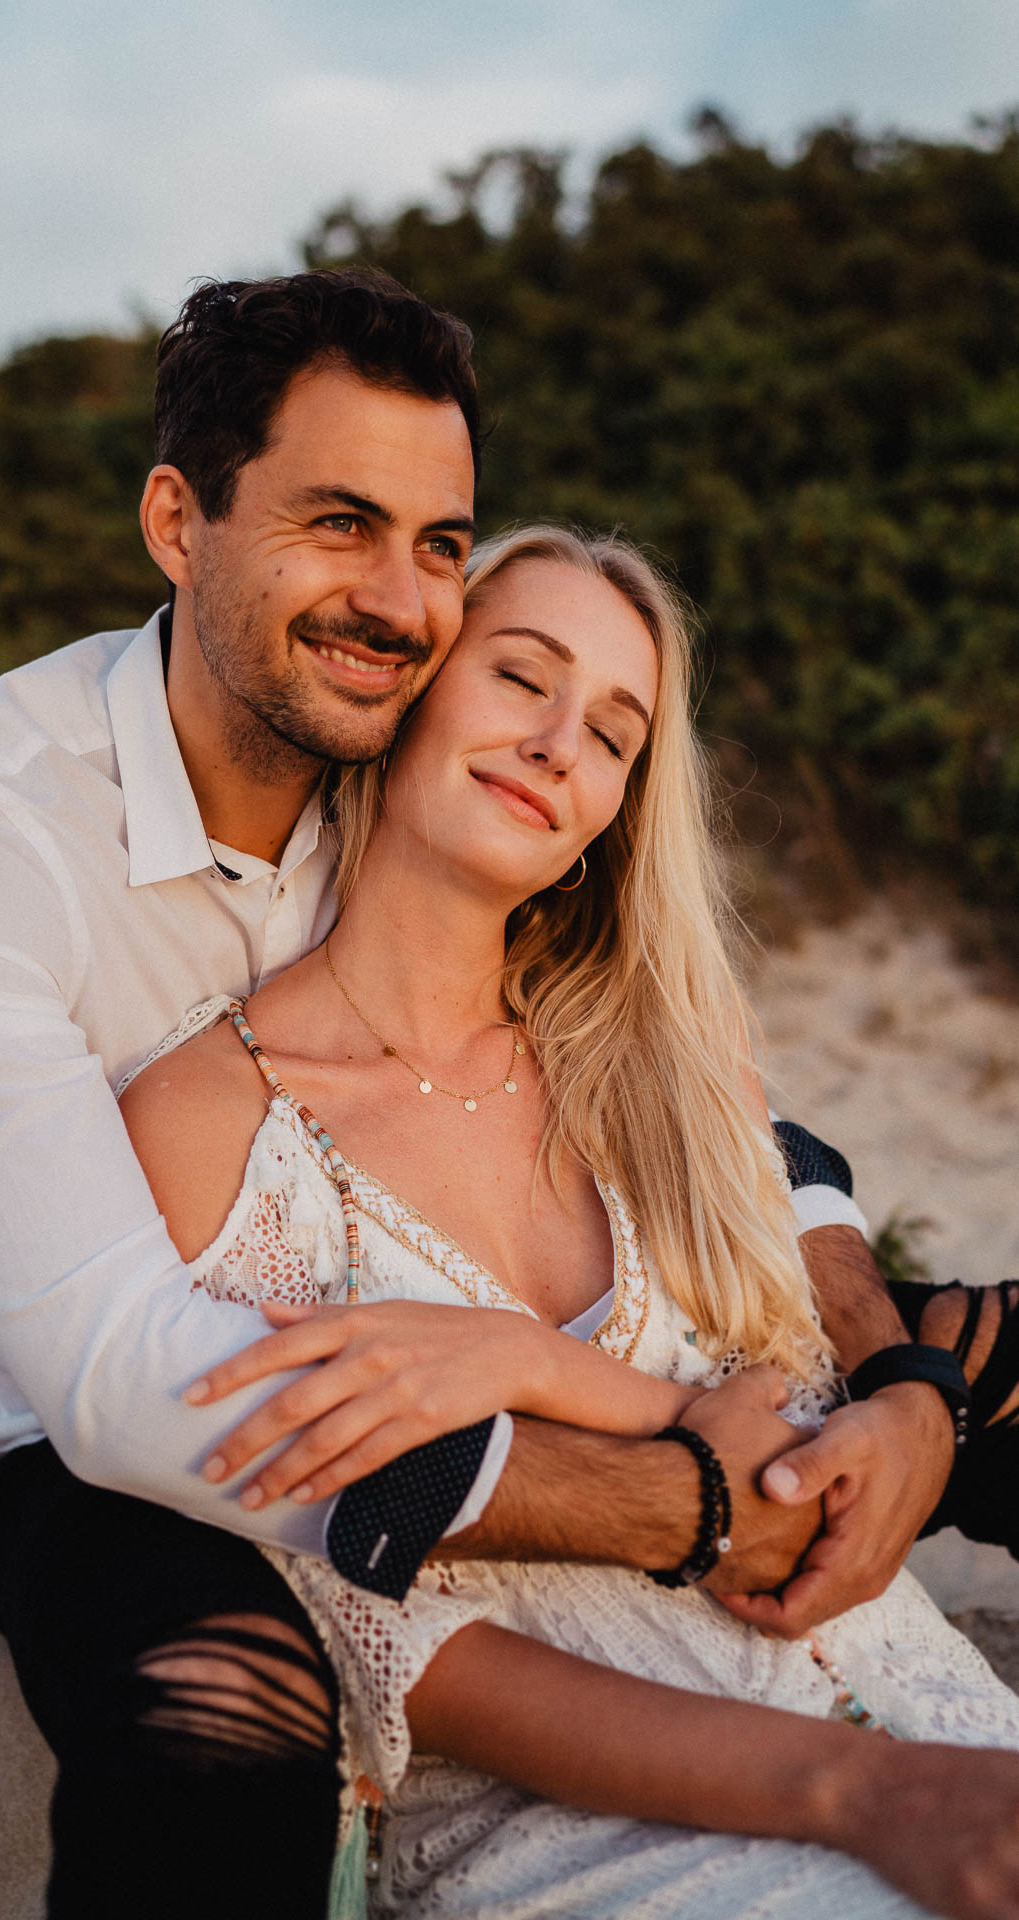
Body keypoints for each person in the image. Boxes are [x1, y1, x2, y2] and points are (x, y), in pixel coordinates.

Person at [0, 268, 1018, 1919]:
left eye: (441, 545)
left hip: (513, 1334)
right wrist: (675, 1469)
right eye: (339, 522)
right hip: (104, 1418)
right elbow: (119, 1377)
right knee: (218, 1715)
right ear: (177, 521)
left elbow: (743, 1135)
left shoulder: (395, 735)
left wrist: (896, 1389)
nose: (400, 604)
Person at [119, 523, 1019, 1918]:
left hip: (961, 1740)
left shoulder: (666, 1057)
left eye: (611, 733)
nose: (555, 746)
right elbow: (381, 1637)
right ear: (405, 686)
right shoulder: (211, 1122)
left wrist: (904, 1405)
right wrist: (871, 1797)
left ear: (618, 805)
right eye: (518, 677)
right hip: (595, 1845)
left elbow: (787, 1412)